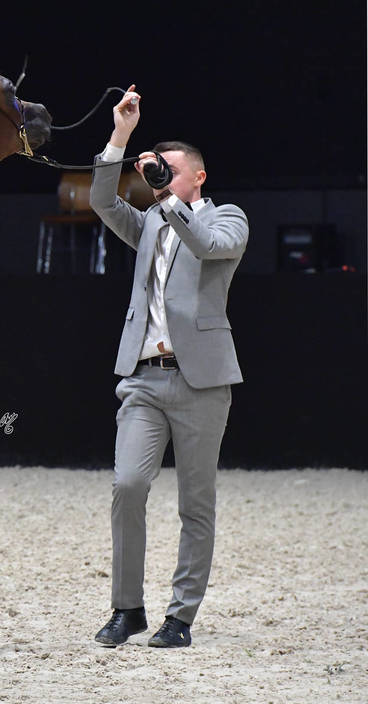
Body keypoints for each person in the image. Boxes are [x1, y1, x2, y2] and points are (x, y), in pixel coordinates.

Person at [88, 85, 248, 649]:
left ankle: (180, 617)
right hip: (144, 378)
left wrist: (165, 199)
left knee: (195, 504)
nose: (159, 177)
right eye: (155, 170)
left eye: (169, 170)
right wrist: (121, 137)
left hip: (203, 380)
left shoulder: (228, 217)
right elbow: (104, 203)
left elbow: (206, 245)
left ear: (197, 177)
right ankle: (127, 608)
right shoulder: (152, 222)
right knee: (128, 486)